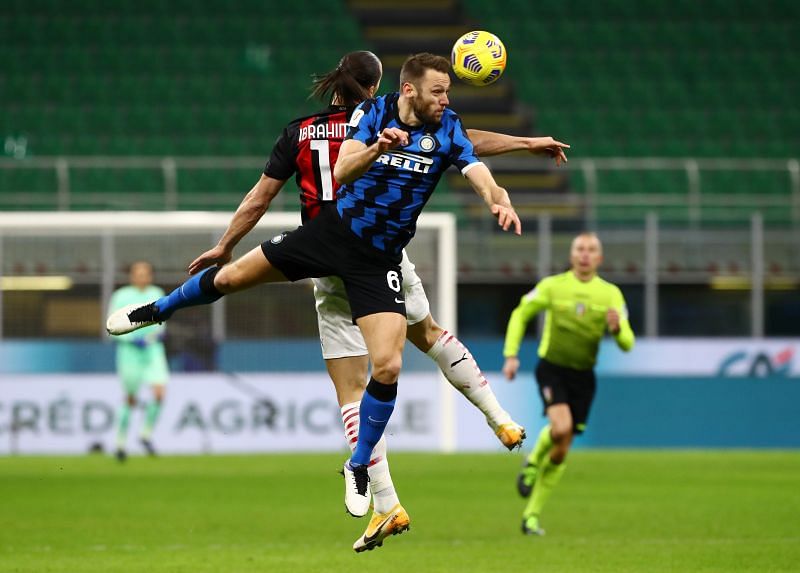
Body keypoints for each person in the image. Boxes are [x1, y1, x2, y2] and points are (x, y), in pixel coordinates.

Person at [105, 51, 557, 548]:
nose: (446, 99)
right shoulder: (373, 114)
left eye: (447, 92)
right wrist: (379, 148)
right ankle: (157, 310)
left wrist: (499, 197)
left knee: (386, 367)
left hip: (377, 261)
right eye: (438, 91)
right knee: (231, 278)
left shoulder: (447, 126)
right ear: (406, 90)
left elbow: (474, 166)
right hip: (331, 234)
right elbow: (343, 172)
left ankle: (359, 463)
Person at [502, 232, 635, 536]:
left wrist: (617, 330)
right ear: (572, 255)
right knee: (560, 427)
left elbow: (628, 342)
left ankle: (531, 516)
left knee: (561, 452)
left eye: (591, 250)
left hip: (583, 377)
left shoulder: (611, 294)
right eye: (580, 249)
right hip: (552, 369)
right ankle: (533, 460)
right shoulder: (553, 287)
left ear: (599, 258)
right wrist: (511, 355)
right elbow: (520, 313)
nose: (585, 254)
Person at [108, 261, 169, 462]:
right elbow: (111, 327)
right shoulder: (121, 296)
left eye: (145, 273)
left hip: (152, 350)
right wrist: (131, 338)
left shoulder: (157, 292)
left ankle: (145, 434)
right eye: (138, 273)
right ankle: (120, 443)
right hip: (129, 353)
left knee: (159, 393)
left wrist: (155, 336)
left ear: (150, 276)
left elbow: (163, 319)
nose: (142, 277)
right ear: (132, 276)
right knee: (130, 399)